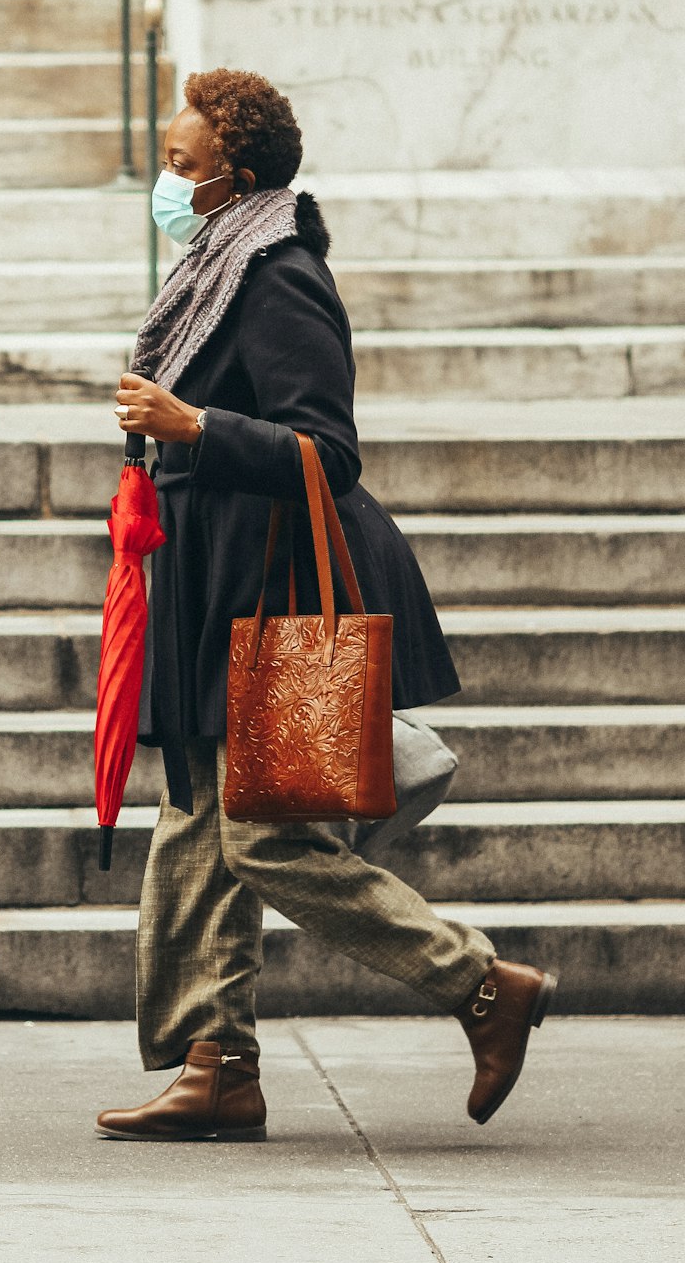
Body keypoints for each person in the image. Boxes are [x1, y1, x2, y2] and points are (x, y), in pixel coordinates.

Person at [95, 68, 556, 1143]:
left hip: (279, 592)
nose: (166, 182)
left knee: (262, 838)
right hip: (214, 582)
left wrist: (194, 425)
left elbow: (328, 450)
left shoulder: (278, 273)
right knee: (197, 820)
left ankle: (483, 985)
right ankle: (218, 1064)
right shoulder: (210, 268)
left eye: (180, 164)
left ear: (233, 174)